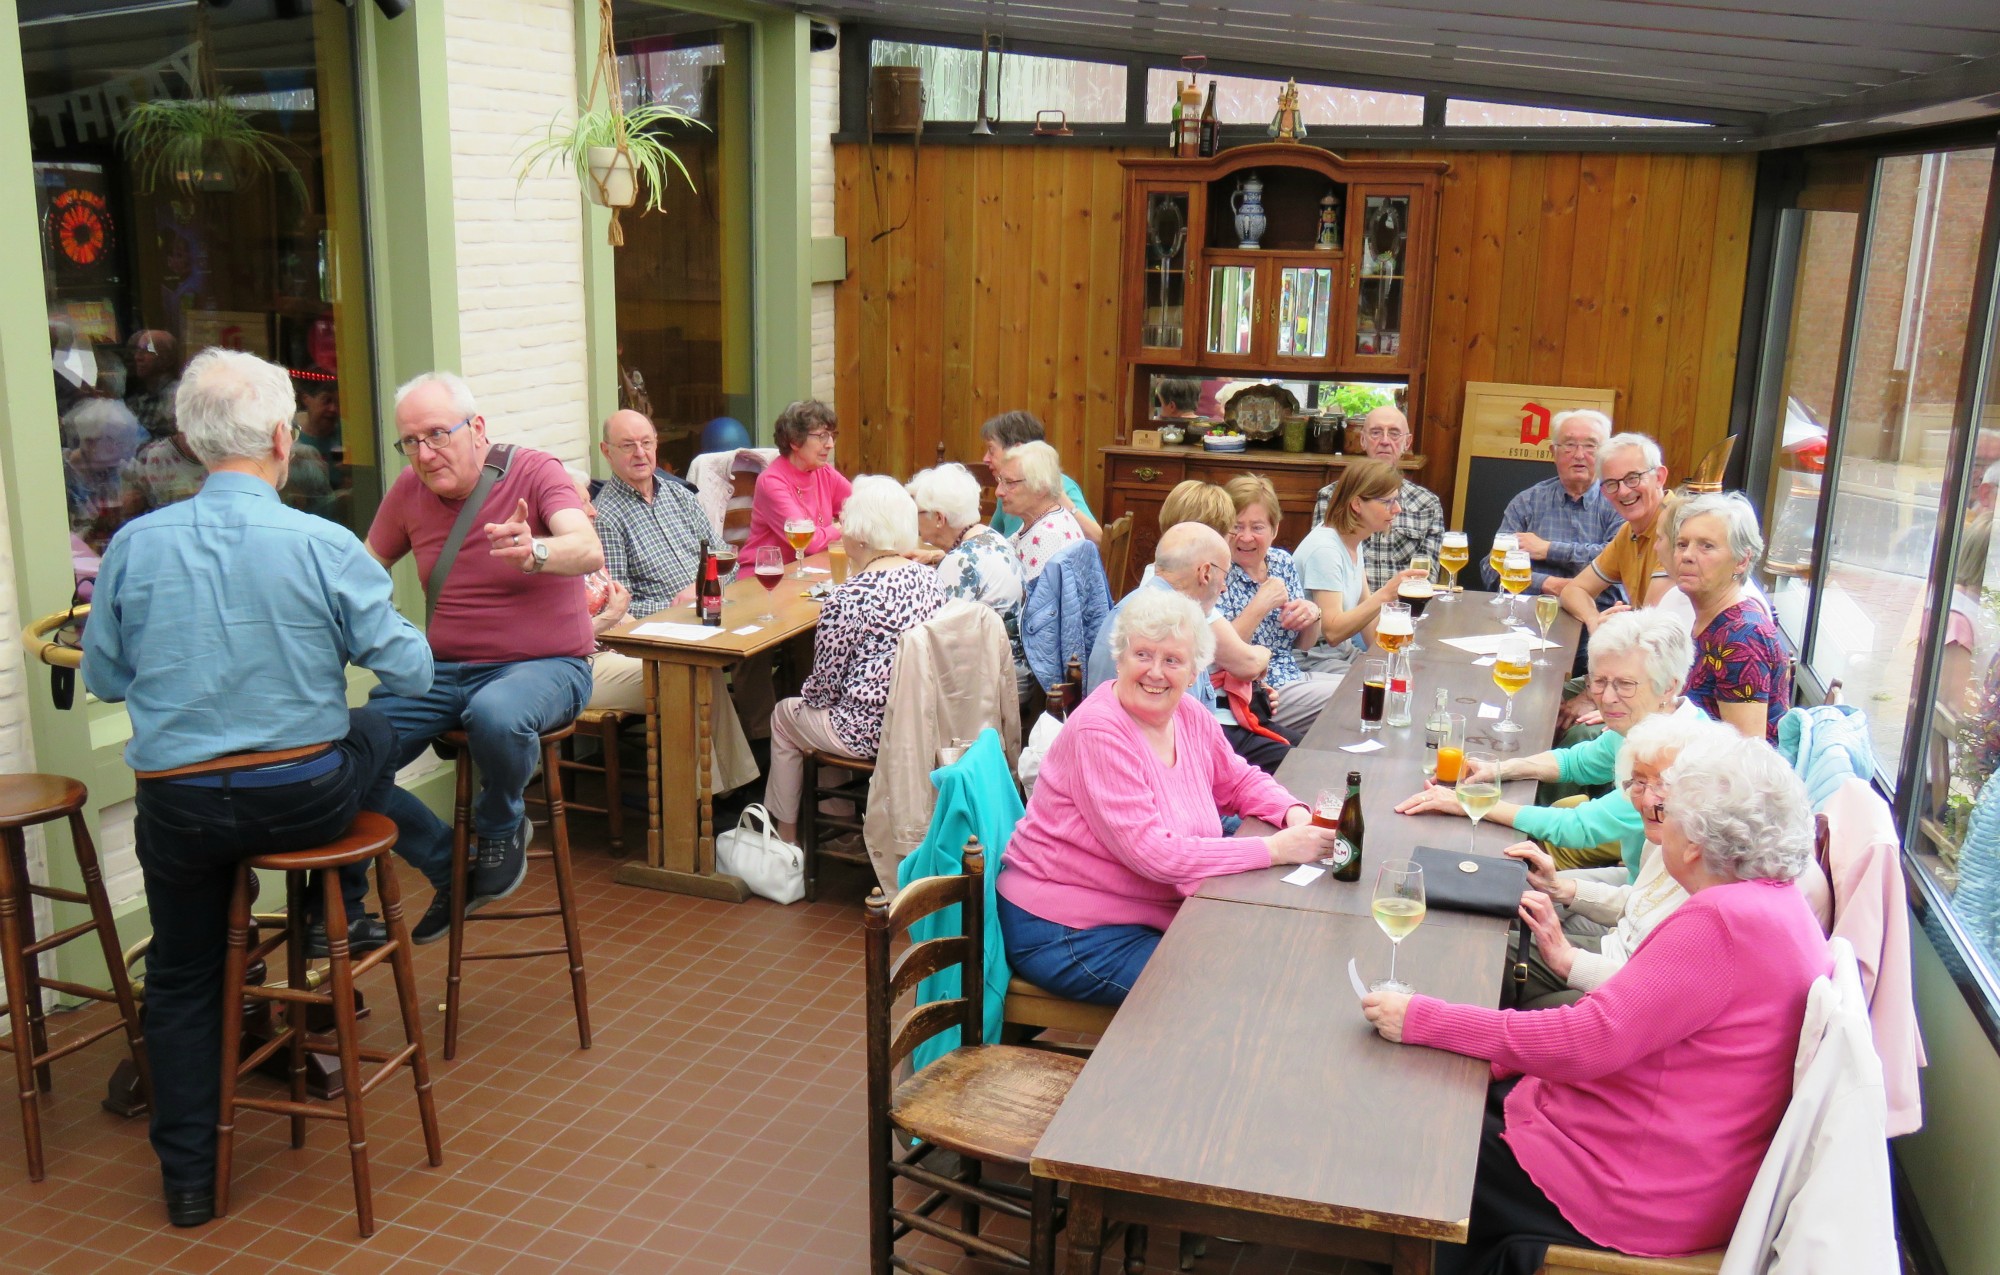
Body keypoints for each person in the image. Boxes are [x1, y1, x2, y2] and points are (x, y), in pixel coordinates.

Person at [81, 348, 432, 1228]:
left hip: (183, 803)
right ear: (283, 438)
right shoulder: (321, 542)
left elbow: (108, 680)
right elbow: (413, 668)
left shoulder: (132, 544)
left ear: (194, 444)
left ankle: (191, 1182)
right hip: (303, 796)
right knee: (378, 727)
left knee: (184, 971)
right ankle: (329, 911)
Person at [1362, 736, 1831, 1273]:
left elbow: (1587, 1041)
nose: (1656, 822)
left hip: (1633, 1187)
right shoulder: (1774, 904)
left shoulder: (1720, 924)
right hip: (1682, 1167)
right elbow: (1626, 1024)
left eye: (1666, 810)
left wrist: (1424, 1016)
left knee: (1426, 1139)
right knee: (1456, 1096)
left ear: (1698, 843)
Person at [1000, 589, 1335, 1004]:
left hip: (1138, 909)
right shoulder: (1099, 732)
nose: (1155, 672)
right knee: (1212, 994)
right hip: (1069, 928)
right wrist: (1272, 849)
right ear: (1119, 658)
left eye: (1172, 660)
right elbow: (1154, 854)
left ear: (1195, 671)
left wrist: (1293, 813)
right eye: (1142, 655)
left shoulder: (1189, 715)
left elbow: (1239, 781)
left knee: (1258, 956)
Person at [364, 371, 602, 944]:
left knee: (496, 713)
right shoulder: (408, 491)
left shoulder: (533, 471)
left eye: (437, 435)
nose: (424, 453)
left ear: (477, 429)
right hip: (442, 671)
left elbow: (586, 547)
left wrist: (536, 549)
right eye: (411, 442)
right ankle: (447, 860)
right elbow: (360, 572)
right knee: (349, 752)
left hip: (546, 666)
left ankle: (502, 821)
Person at [1394, 609, 1698, 874]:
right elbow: (1577, 762)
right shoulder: (1646, 726)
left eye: (1625, 685)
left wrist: (1468, 803)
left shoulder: (1677, 758)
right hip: (1634, 888)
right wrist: (1497, 769)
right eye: (1599, 681)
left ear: (1668, 687)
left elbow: (1579, 827)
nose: (1606, 698)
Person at [1503, 714, 1742, 1010]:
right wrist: (1560, 888)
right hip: (1612, 954)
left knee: (1496, 959)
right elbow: (1640, 904)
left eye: (1663, 783)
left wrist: (1567, 959)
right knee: (1504, 921)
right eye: (1639, 781)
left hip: (1626, 988)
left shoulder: (1716, 878)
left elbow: (1659, 990)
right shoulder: (1665, 838)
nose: (1646, 799)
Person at [766, 476, 946, 844]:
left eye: (843, 524)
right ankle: (841, 823)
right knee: (823, 715)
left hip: (866, 732)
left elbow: (823, 690)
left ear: (860, 536)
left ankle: (786, 841)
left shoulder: (847, 597)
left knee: (787, 716)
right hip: (920, 721)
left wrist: (809, 700)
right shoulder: (930, 579)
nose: (838, 532)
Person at [575, 462, 759, 792]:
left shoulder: (586, 548)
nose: (592, 509)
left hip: (623, 642)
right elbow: (564, 636)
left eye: (589, 500)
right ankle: (700, 800)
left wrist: (627, 623)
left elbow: (618, 605)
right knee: (684, 673)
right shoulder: (556, 556)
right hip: (581, 665)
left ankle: (729, 787)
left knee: (704, 665)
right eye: (582, 503)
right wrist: (614, 619)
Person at [1088, 523, 1292, 773]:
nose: (1225, 587)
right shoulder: (1162, 623)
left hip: (1177, 769)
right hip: (1150, 778)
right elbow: (1175, 756)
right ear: (1205, 573)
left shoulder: (1164, 610)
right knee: (1299, 767)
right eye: (1224, 576)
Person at [1218, 473, 1342, 733]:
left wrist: (1312, 614)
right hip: (1257, 692)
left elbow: (1303, 643)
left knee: (1367, 682)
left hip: (1291, 671)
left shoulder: (1280, 562)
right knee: (1353, 697)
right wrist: (1260, 603)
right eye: (1237, 527)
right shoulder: (1218, 572)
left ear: (1274, 529)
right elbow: (1222, 654)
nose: (1246, 537)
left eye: (1257, 527)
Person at [1670, 491, 1791, 741]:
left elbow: (1745, 755)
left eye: (1707, 546)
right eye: (1682, 544)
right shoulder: (1711, 618)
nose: (1687, 555)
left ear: (1742, 561)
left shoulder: (1742, 637)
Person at [1294, 459, 1427, 673]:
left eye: (1397, 500)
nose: (1398, 509)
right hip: (1314, 662)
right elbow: (1333, 632)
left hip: (1342, 655)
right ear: (1357, 504)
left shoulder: (1352, 541)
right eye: (1388, 502)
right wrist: (1387, 594)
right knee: (1380, 690)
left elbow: (1369, 624)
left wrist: (1402, 655)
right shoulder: (1325, 551)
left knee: (1409, 676)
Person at [907, 461, 1028, 692]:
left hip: (993, 688)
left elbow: (935, 639)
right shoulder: (991, 537)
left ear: (939, 518)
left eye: (918, 512)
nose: (915, 520)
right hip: (1015, 670)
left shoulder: (960, 562)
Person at [1479, 408, 1622, 598]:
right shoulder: (1527, 502)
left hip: (1600, 615)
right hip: (1531, 613)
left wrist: (1548, 550)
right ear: (1553, 452)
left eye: (1590, 445)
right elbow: (1492, 568)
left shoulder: (1620, 500)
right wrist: (1547, 583)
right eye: (1569, 444)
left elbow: (1619, 559)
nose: (1579, 455)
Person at [593, 408, 716, 617]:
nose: (640, 453)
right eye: (628, 445)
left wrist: (705, 591)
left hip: (713, 607)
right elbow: (615, 606)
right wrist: (676, 605)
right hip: (667, 628)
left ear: (656, 443)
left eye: (646, 443)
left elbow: (723, 559)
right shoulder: (606, 517)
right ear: (606, 452)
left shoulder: (680, 495)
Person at [1309, 405, 1442, 590]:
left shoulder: (1428, 505)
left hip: (1403, 609)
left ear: (1408, 443)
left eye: (1394, 433)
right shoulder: (1332, 497)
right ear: (1362, 440)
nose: (1385, 441)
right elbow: (1323, 567)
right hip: (1347, 611)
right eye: (1376, 432)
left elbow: (1426, 578)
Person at [1559, 432, 1676, 634]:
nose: (1622, 491)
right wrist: (1593, 619)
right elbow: (1572, 591)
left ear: (1659, 477)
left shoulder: (1678, 526)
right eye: (1612, 483)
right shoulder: (1628, 531)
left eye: (1633, 478)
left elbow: (1650, 621)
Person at [743, 398, 851, 562]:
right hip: (766, 575)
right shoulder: (772, 482)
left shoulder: (824, 472)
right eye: (822, 436)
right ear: (794, 441)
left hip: (809, 571)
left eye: (831, 436)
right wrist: (840, 527)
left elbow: (862, 506)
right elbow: (806, 541)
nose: (830, 444)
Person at [981, 410, 1103, 543]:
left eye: (991, 450)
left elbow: (1098, 539)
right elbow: (992, 538)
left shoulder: (1063, 486)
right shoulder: (1006, 488)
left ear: (1017, 449)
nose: (985, 458)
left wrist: (1061, 499)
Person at [997, 440, 1087, 580]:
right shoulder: (1042, 518)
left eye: (1010, 483)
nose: (999, 492)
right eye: (1000, 481)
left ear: (1041, 488)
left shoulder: (1045, 535)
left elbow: (1030, 599)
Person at [124, 329, 180, 438]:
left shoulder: (178, 397)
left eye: (148, 350)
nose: (138, 357)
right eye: (138, 350)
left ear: (168, 359)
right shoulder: (138, 397)